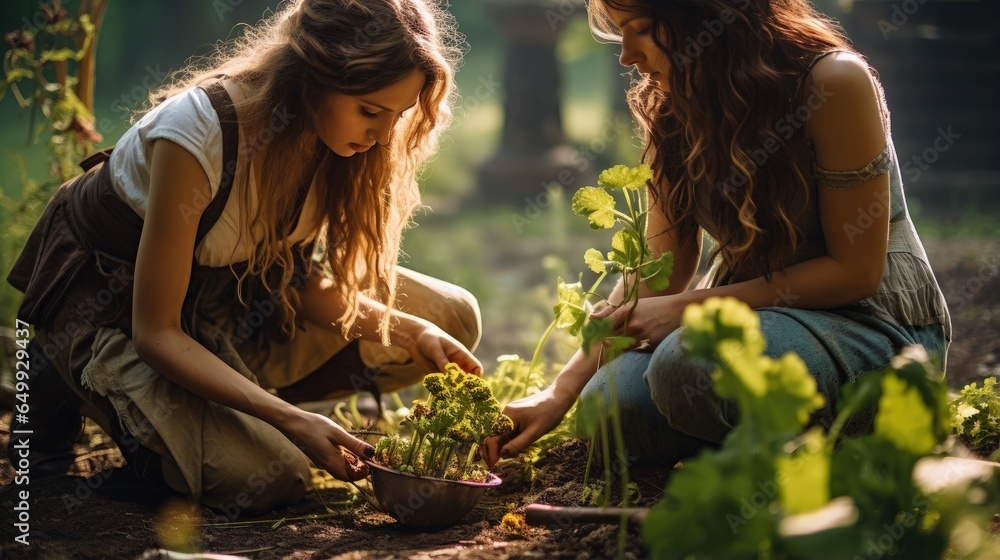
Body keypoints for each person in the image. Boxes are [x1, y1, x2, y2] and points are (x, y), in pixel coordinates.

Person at [7, 0, 482, 515]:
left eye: (398, 115)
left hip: (230, 305)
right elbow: (157, 333)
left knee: (450, 318)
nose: (383, 137)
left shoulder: (334, 139)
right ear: (312, 79)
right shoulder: (196, 134)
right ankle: (68, 383)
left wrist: (413, 332)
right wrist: (291, 422)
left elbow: (299, 284)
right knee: (267, 477)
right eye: (370, 111)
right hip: (113, 312)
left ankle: (241, 406)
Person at [485, 0, 950, 469]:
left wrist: (687, 309)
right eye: (619, 32)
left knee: (688, 367)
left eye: (642, 29)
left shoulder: (832, 82)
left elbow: (856, 273)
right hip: (755, 320)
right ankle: (753, 444)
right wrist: (559, 390)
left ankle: (827, 452)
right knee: (609, 402)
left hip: (870, 326)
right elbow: (661, 270)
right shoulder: (670, 107)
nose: (626, 55)